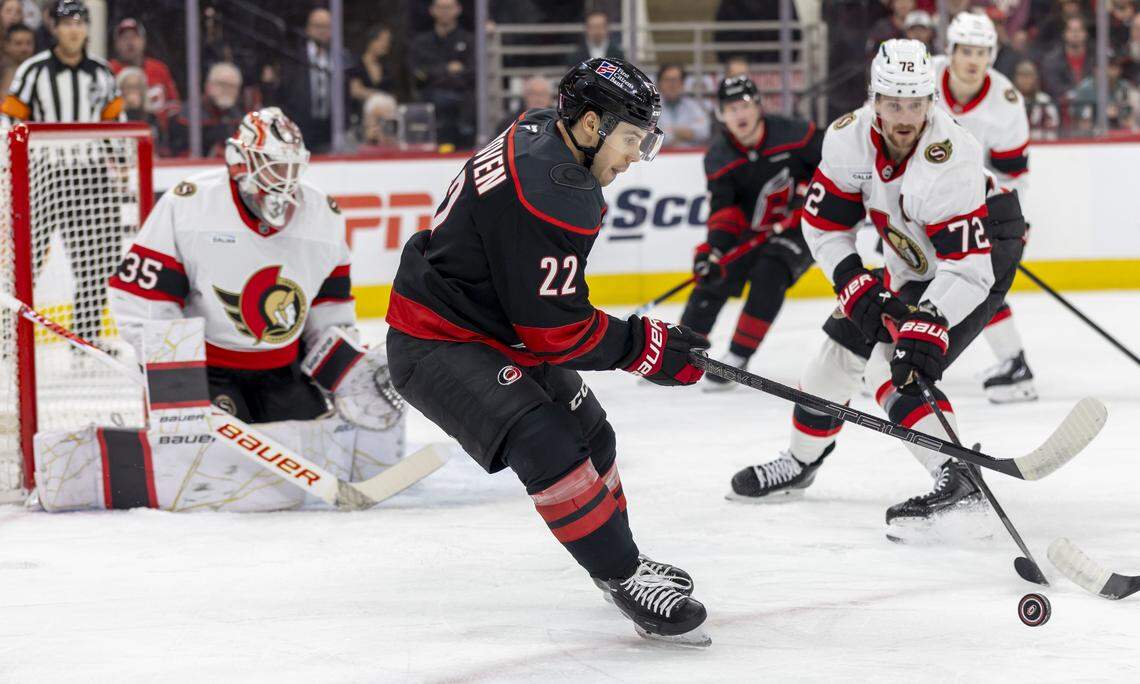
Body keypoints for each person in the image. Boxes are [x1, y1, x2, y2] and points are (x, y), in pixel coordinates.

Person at [384, 58, 712, 646]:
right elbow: (554, 332)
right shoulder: (554, 190)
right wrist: (645, 348)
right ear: (590, 126)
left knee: (593, 432)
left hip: (488, 326)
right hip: (436, 340)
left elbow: (537, 305)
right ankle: (619, 573)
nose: (637, 154)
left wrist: (638, 345)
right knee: (547, 441)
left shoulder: (542, 132)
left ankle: (623, 563)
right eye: (631, 138)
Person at [727, 40, 1027, 542]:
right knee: (835, 357)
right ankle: (800, 464)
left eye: (915, 103)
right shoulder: (848, 140)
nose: (904, 117)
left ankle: (960, 479)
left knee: (894, 363)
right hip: (912, 253)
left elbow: (967, 269)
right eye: (893, 103)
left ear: (931, 101)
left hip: (981, 253)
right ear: (874, 99)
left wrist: (928, 321)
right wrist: (852, 280)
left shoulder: (953, 156)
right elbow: (823, 224)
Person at [109, 107, 362, 424]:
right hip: (209, 372)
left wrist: (348, 375)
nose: (284, 179)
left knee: (313, 453)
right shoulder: (190, 204)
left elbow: (329, 310)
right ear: (238, 160)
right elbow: (144, 300)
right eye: (272, 165)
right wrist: (176, 379)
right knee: (203, 467)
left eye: (291, 167)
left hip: (284, 372)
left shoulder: (323, 216)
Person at [679, 75, 822, 390]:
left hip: (802, 229)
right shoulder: (719, 157)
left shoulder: (796, 134)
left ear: (758, 106)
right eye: (730, 108)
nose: (738, 114)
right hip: (751, 231)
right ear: (720, 114)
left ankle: (738, 357)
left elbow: (833, 165)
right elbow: (725, 210)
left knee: (770, 272)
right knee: (713, 276)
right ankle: (679, 354)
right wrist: (713, 250)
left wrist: (810, 199)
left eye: (744, 104)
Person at [1, 0, 125, 358]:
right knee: (26, 258)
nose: (74, 30)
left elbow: (116, 126)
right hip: (42, 174)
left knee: (98, 258)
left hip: (91, 176)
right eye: (67, 23)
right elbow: (10, 120)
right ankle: (8, 336)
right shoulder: (33, 70)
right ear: (54, 28)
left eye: (80, 23)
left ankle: (84, 338)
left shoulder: (102, 72)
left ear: (87, 28)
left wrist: (119, 161)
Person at [934, 12, 1037, 402]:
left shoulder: (1006, 101)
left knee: (981, 281)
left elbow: (1013, 174)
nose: (973, 60)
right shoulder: (924, 79)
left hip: (982, 206)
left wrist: (1010, 223)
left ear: (991, 55)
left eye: (981, 52)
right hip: (922, 200)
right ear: (951, 51)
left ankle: (1014, 363)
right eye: (966, 51)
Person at [408, 0, 474, 149]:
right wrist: (447, 69)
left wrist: (436, 74)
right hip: (431, 99)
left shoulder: (469, 40)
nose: (445, 11)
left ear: (458, 9)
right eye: (441, 7)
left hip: (464, 101)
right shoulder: (421, 42)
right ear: (432, 10)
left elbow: (472, 74)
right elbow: (418, 74)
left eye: (449, 7)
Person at [275, 8, 335, 153]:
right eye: (318, 26)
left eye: (327, 27)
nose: (322, 31)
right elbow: (284, 93)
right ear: (308, 29)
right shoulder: (293, 57)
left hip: (329, 129)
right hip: (299, 129)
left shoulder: (339, 57)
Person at [167, 62, 246, 157]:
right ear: (208, 86)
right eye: (222, 84)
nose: (227, 90)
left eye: (232, 86)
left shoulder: (239, 119)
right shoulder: (186, 116)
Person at [109, 18, 179, 121]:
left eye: (134, 37)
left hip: (157, 133)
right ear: (116, 43)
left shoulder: (159, 69)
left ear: (143, 41)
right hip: (120, 131)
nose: (130, 42)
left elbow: (174, 105)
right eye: (124, 38)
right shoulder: (108, 70)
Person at [347, 24, 397, 125]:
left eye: (388, 41)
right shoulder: (357, 63)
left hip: (385, 114)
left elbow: (392, 93)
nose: (385, 45)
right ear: (371, 41)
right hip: (362, 112)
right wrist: (378, 96)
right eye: (382, 40)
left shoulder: (386, 67)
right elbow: (355, 91)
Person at [1040, 15, 1092, 106]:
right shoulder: (1051, 61)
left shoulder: (1095, 59)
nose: (1075, 34)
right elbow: (1054, 88)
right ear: (1064, 34)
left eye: (1079, 30)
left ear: (1085, 34)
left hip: (1092, 108)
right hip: (1062, 109)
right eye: (1071, 30)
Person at [655, 64, 710, 147]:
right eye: (667, 80)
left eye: (676, 80)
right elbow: (649, 135)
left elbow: (704, 131)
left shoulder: (693, 106)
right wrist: (683, 133)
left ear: (683, 83)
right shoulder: (651, 107)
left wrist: (671, 132)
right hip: (659, 157)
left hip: (688, 156)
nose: (672, 85)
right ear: (659, 83)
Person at [1013, 58, 1061, 140]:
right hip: (1015, 144)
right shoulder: (1010, 101)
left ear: (1035, 78)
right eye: (1022, 76)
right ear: (1016, 78)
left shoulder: (1044, 101)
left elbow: (1053, 127)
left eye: (1029, 76)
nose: (1026, 80)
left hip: (1040, 145)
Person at [0, 22, 35, 93]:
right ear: (6, 45)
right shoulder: (2, 72)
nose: (24, 48)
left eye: (29, 43)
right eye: (18, 43)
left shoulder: (39, 73)